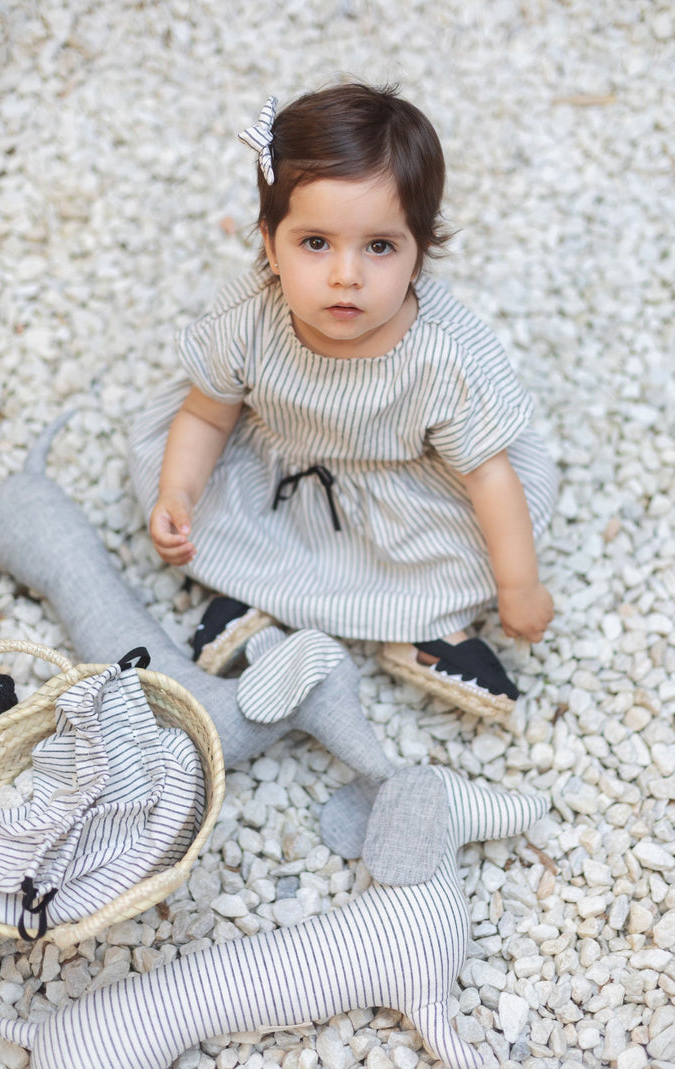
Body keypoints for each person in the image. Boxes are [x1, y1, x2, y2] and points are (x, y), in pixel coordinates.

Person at [129, 83, 558, 716]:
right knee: (216, 517)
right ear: (270, 244)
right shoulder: (251, 318)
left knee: (460, 554)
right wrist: (179, 493)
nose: (345, 276)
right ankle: (251, 603)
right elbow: (205, 413)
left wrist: (518, 585)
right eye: (315, 243)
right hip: (279, 467)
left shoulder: (441, 355)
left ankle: (424, 631)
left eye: (380, 246)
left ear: (420, 253)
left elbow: (487, 474)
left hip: (404, 488)